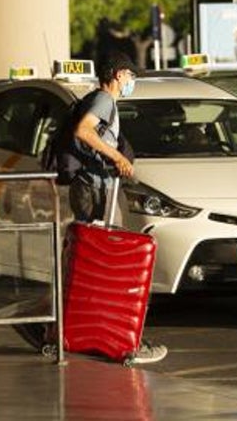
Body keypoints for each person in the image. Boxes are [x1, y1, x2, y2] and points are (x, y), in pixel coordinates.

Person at [68, 52, 167, 364]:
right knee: (94, 263)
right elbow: (83, 131)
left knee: (87, 262)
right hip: (93, 188)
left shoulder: (99, 100)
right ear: (118, 75)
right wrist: (116, 157)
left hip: (93, 187)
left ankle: (85, 330)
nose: (132, 82)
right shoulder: (103, 101)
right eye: (130, 76)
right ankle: (97, 334)